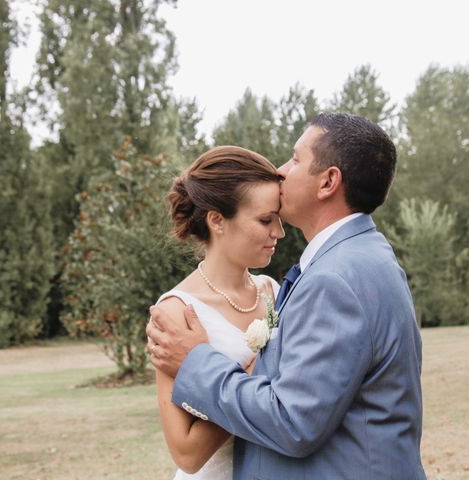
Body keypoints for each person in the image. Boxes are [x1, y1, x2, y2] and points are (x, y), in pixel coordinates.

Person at [147, 113, 426, 480]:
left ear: (328, 181)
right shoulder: (360, 258)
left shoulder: (332, 279)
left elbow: (293, 420)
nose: (281, 171)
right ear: (216, 220)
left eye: (295, 159)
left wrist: (199, 362)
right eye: (265, 220)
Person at [152, 145, 286, 479]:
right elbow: (186, 453)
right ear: (217, 220)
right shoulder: (177, 312)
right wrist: (256, 374)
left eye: (279, 218)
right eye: (266, 220)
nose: (280, 232)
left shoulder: (272, 291)